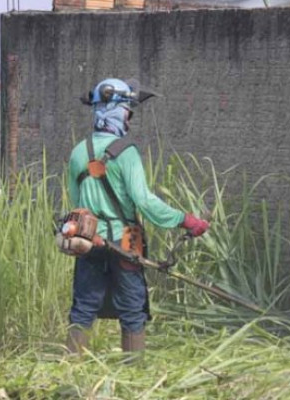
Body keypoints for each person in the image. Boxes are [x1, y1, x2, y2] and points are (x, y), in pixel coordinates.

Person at [66, 78, 210, 355]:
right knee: (133, 307)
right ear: (118, 111)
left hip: (88, 237)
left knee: (83, 308)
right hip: (128, 238)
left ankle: (68, 369)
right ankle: (134, 372)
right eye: (129, 113)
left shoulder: (77, 152)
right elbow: (144, 201)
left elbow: (77, 202)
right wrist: (185, 220)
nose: (129, 121)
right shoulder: (126, 152)